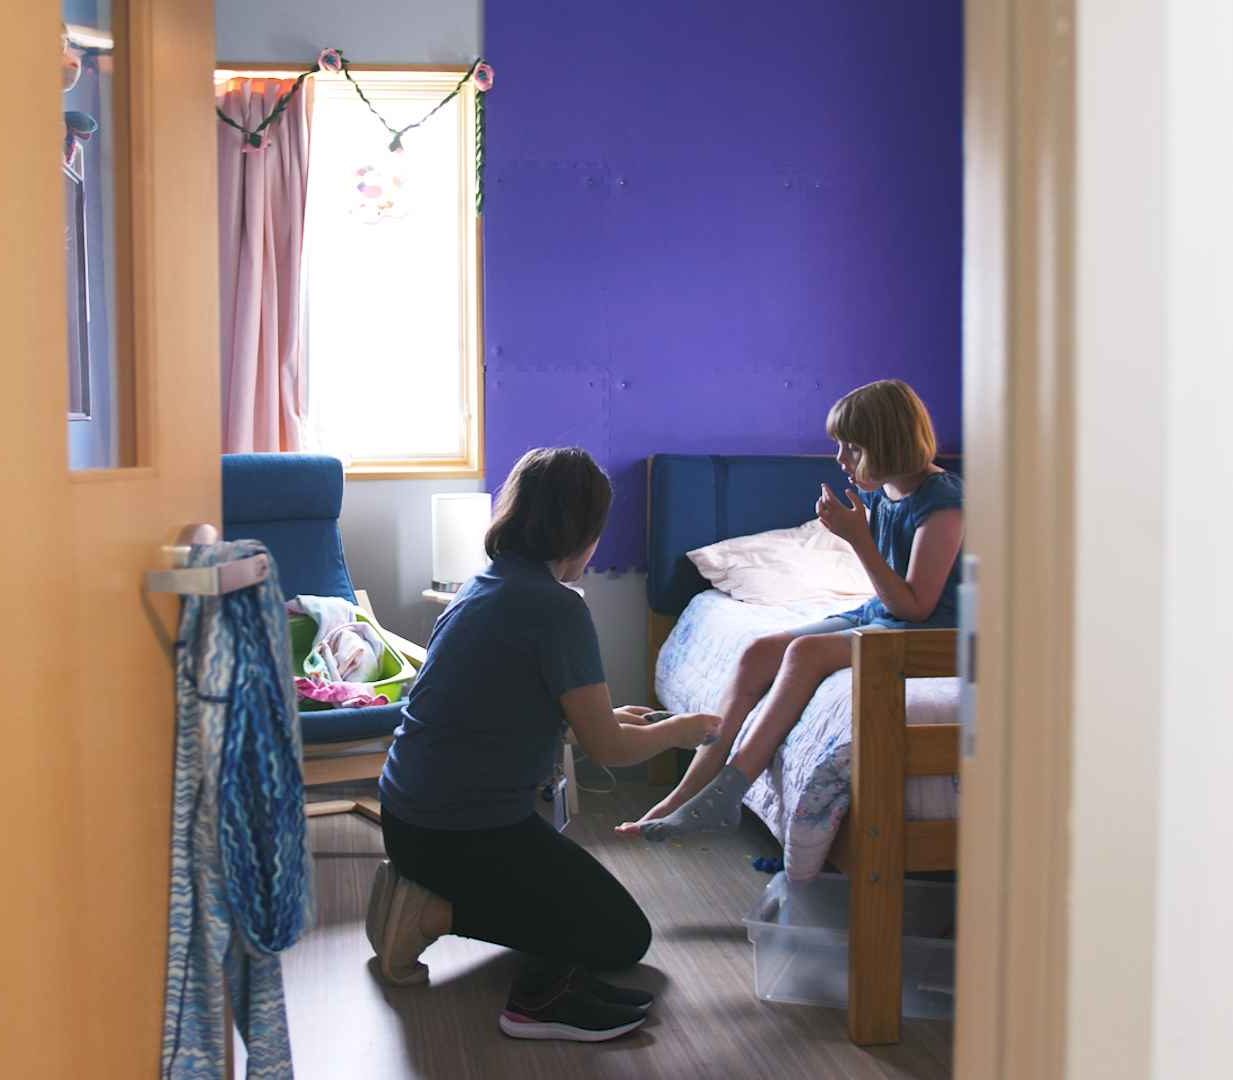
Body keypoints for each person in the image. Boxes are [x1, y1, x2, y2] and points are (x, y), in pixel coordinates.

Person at [370, 447, 721, 1041]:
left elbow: (516, 705)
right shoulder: (556, 609)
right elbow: (607, 750)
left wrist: (613, 717)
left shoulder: (486, 587)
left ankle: (423, 891)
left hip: (411, 816)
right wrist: (685, 731)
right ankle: (432, 915)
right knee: (622, 939)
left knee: (589, 914)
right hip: (463, 831)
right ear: (583, 532)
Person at [616, 379, 964, 842]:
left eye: (852, 448)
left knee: (804, 654)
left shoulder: (943, 505)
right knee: (760, 651)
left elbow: (918, 607)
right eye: (840, 446)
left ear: (889, 444)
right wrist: (858, 535)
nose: (841, 459)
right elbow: (892, 598)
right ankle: (682, 794)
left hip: (934, 634)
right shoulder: (886, 494)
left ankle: (727, 794)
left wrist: (858, 540)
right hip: (886, 615)